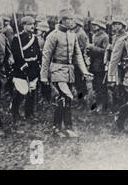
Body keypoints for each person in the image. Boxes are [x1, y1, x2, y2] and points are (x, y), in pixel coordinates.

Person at [40, 8, 93, 138]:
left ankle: (67, 128)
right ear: (62, 20)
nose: (71, 22)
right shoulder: (53, 35)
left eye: (72, 19)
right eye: (68, 19)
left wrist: (85, 71)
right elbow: (46, 57)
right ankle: (56, 128)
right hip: (57, 70)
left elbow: (78, 55)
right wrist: (43, 75)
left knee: (67, 99)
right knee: (64, 98)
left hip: (69, 72)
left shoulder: (72, 35)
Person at [10, 16, 42, 127]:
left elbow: (38, 52)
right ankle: (15, 112)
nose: (32, 26)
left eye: (33, 24)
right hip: (22, 68)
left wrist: (39, 62)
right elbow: (16, 53)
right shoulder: (17, 38)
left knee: (32, 92)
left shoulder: (35, 38)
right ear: (23, 25)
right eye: (29, 24)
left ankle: (29, 113)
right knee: (21, 91)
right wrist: (23, 65)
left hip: (33, 67)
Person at [87, 19, 109, 112]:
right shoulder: (94, 35)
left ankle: (103, 105)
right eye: (94, 24)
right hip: (94, 64)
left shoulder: (105, 37)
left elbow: (105, 51)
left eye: (96, 25)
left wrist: (93, 48)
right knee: (95, 85)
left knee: (101, 86)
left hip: (100, 65)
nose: (94, 26)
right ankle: (97, 104)